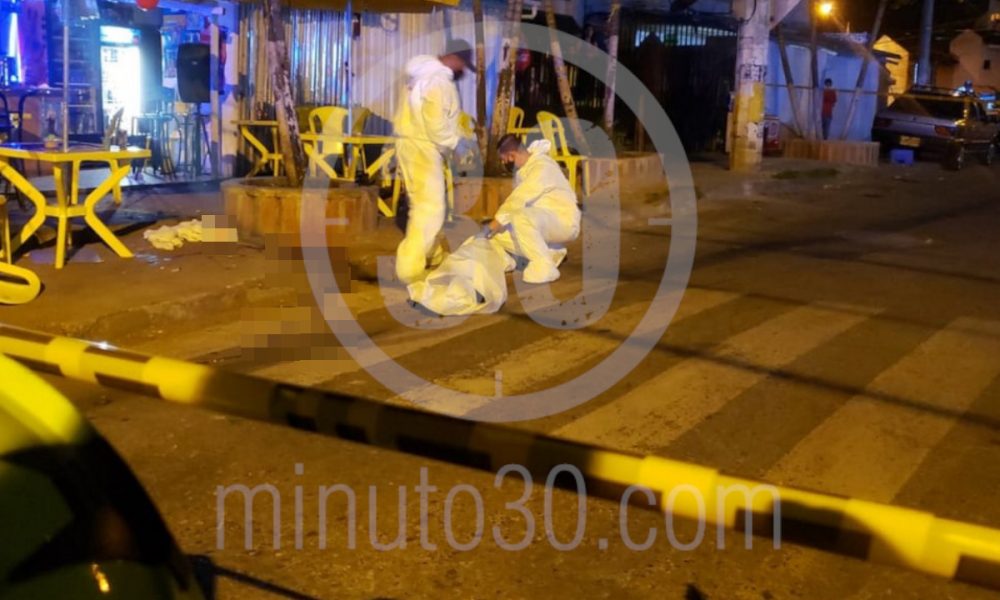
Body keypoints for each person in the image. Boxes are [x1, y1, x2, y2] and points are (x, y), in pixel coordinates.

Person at [393, 39, 476, 284]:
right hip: (423, 146)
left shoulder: (419, 76)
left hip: (410, 143)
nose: (462, 70)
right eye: (462, 64)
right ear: (455, 58)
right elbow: (436, 123)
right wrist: (456, 143)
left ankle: (433, 253)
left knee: (425, 203)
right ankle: (409, 269)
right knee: (430, 208)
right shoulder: (438, 82)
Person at [485, 134, 581, 284]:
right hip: (541, 221)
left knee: (519, 217)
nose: (503, 163)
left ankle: (545, 266)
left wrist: (496, 222)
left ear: (512, 155)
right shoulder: (523, 169)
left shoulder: (542, 167)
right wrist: (493, 229)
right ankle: (548, 252)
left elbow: (519, 199)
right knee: (495, 236)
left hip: (563, 222)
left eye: (503, 159)